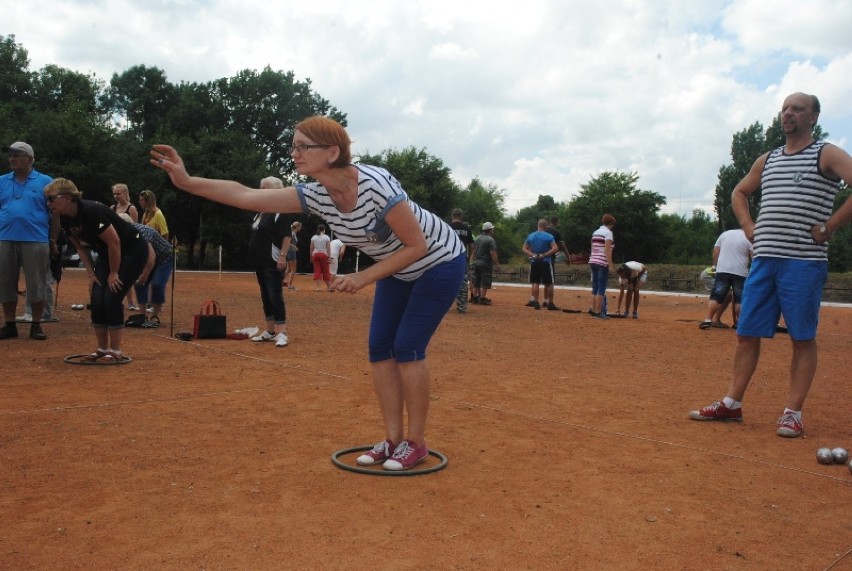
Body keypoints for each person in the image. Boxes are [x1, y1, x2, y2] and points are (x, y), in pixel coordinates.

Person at [150, 115, 466, 471]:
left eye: (303, 146)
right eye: (293, 146)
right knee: (380, 347)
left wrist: (362, 279)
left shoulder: (375, 184)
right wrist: (188, 181)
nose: (294, 153)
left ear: (332, 152)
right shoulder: (316, 195)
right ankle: (392, 440)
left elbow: (417, 245)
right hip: (395, 265)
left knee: (407, 346)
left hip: (437, 262)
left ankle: (416, 443)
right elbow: (247, 195)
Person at [689, 92, 852, 438]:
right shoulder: (769, 159)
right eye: (785, 109)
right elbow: (738, 192)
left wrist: (829, 228)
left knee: (802, 337)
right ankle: (732, 404)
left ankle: (792, 413)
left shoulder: (826, 153)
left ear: (814, 118)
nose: (788, 114)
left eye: (798, 109)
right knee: (746, 334)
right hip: (764, 261)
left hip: (803, 263)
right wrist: (748, 227)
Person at [45, 178, 148, 361]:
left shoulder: (92, 211)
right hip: (106, 253)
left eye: (52, 198)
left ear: (67, 197)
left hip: (132, 250)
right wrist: (91, 274)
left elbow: (114, 242)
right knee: (97, 297)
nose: (48, 203)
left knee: (112, 296)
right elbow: (80, 248)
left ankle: (115, 351)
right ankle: (102, 348)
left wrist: (114, 273)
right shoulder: (65, 219)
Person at [0, 141, 55, 341]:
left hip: (36, 239)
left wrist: (54, 239)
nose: (12, 158)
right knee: (5, 283)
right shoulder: (2, 181)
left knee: (36, 283)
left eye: (17, 155)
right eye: (10, 155)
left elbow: (55, 213)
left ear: (30, 159)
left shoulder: (46, 182)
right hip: (5, 238)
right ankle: (10, 324)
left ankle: (36, 324)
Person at [247, 176, 291, 347]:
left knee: (275, 296)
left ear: (274, 190)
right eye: (261, 187)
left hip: (273, 261)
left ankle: (282, 333)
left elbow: (286, 235)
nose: (261, 190)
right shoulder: (260, 211)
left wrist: (282, 256)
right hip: (259, 260)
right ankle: (270, 330)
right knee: (265, 296)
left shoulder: (281, 210)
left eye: (265, 187)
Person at [117, 213, 174, 329]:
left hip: (165, 258)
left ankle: (155, 316)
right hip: (147, 259)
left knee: (157, 284)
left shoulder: (142, 233)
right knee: (138, 284)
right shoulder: (125, 234)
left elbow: (151, 257)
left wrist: (145, 275)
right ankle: (142, 316)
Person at [698, 229, 752, 330]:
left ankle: (708, 319)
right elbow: (753, 255)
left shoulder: (724, 235)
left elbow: (716, 251)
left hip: (722, 270)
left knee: (716, 296)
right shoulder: (749, 236)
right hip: (740, 272)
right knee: (740, 299)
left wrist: (715, 265)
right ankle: (741, 323)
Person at [111, 183, 141, 310]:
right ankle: (117, 300)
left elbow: (136, 228)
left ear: (125, 194)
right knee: (116, 273)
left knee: (127, 273)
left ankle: (130, 302)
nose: (116, 196)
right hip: (114, 244)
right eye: (114, 194)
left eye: (119, 193)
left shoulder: (131, 209)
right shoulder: (112, 208)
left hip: (128, 245)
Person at [522, 219, 558, 310]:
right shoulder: (549, 236)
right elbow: (555, 248)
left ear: (538, 225)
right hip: (546, 261)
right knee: (549, 283)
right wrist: (545, 254)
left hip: (535, 261)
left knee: (535, 282)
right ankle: (550, 303)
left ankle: (536, 302)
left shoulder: (531, 236)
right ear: (545, 227)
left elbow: (524, 248)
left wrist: (533, 255)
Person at [588, 214, 615, 319]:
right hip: (602, 262)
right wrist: (610, 265)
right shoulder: (608, 233)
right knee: (601, 288)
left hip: (593, 261)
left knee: (594, 287)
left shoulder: (595, 232)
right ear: (611, 224)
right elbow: (607, 250)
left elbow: (592, 248)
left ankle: (594, 310)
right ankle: (599, 312)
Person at [448, 208, 474, 313]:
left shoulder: (447, 227)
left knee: (446, 282)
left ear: (452, 216)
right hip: (462, 258)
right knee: (463, 284)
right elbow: (471, 246)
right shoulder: (466, 229)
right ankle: (462, 307)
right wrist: (469, 256)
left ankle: (446, 306)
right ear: (461, 217)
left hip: (448, 258)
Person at [545, 216, 571, 310]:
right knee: (551, 281)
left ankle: (543, 300)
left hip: (539, 258)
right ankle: (550, 303)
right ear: (556, 223)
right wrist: (568, 257)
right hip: (550, 258)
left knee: (545, 281)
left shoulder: (543, 230)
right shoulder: (556, 232)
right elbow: (563, 246)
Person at [471, 222, 499, 305]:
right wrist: (497, 264)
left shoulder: (477, 238)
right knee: (485, 280)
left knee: (476, 280)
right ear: (490, 230)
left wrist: (473, 260)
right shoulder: (490, 240)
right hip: (485, 262)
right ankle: (482, 298)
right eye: (492, 229)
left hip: (476, 262)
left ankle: (475, 297)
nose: (493, 230)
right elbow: (493, 253)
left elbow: (474, 251)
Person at [310, 224, 332, 291]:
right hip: (323, 255)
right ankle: (329, 287)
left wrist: (311, 256)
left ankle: (318, 287)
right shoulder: (326, 237)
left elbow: (311, 248)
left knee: (317, 270)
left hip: (315, 254)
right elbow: (328, 248)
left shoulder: (313, 237)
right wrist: (329, 257)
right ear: (324, 230)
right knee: (326, 271)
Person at [284, 221, 302, 290]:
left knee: (288, 269)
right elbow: (287, 242)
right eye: (300, 226)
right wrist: (295, 247)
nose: (300, 228)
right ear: (297, 227)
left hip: (288, 251)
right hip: (291, 251)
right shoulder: (293, 233)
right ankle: (290, 285)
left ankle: (280, 282)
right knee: (293, 269)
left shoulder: (293, 233)